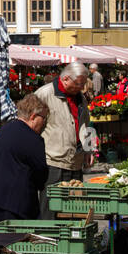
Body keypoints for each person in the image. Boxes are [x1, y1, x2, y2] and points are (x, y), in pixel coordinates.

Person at [0, 94, 49, 226]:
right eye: (43, 118)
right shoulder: (33, 139)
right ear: (33, 117)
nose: (44, 123)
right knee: (16, 244)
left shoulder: (5, 129)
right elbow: (41, 174)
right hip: (16, 204)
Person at [34, 61, 92, 218]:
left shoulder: (80, 98)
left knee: (73, 210)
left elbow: (87, 125)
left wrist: (89, 149)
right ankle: (47, 240)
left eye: (83, 84)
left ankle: (70, 241)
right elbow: (31, 125)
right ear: (66, 79)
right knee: (50, 209)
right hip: (53, 161)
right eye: (79, 84)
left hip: (76, 161)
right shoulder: (44, 94)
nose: (81, 88)